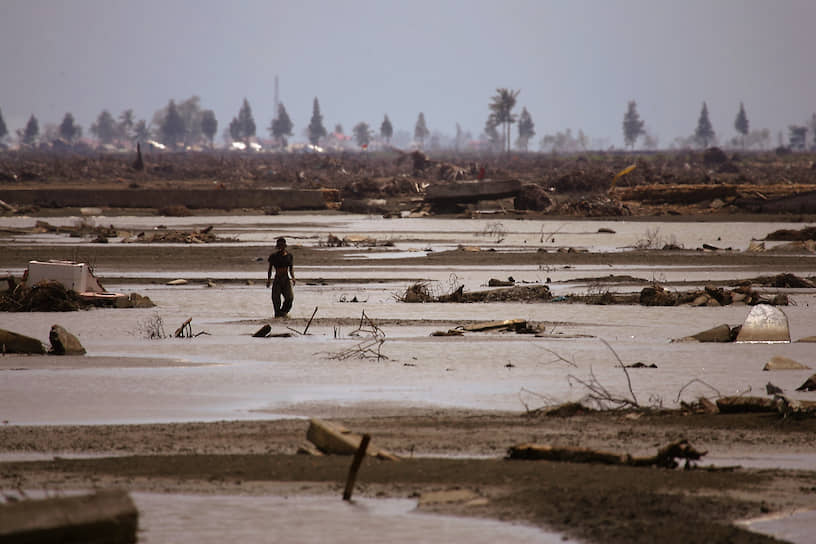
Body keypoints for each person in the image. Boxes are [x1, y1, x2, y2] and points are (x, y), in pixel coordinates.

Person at [266, 237, 295, 317]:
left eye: (282, 245)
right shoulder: (273, 256)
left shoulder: (289, 256)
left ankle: (283, 312)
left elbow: (291, 268)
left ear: (285, 246)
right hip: (277, 279)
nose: (281, 247)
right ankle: (277, 314)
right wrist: (268, 280)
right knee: (276, 299)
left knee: (290, 298)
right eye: (279, 245)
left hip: (286, 279)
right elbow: (270, 269)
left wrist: (293, 277)